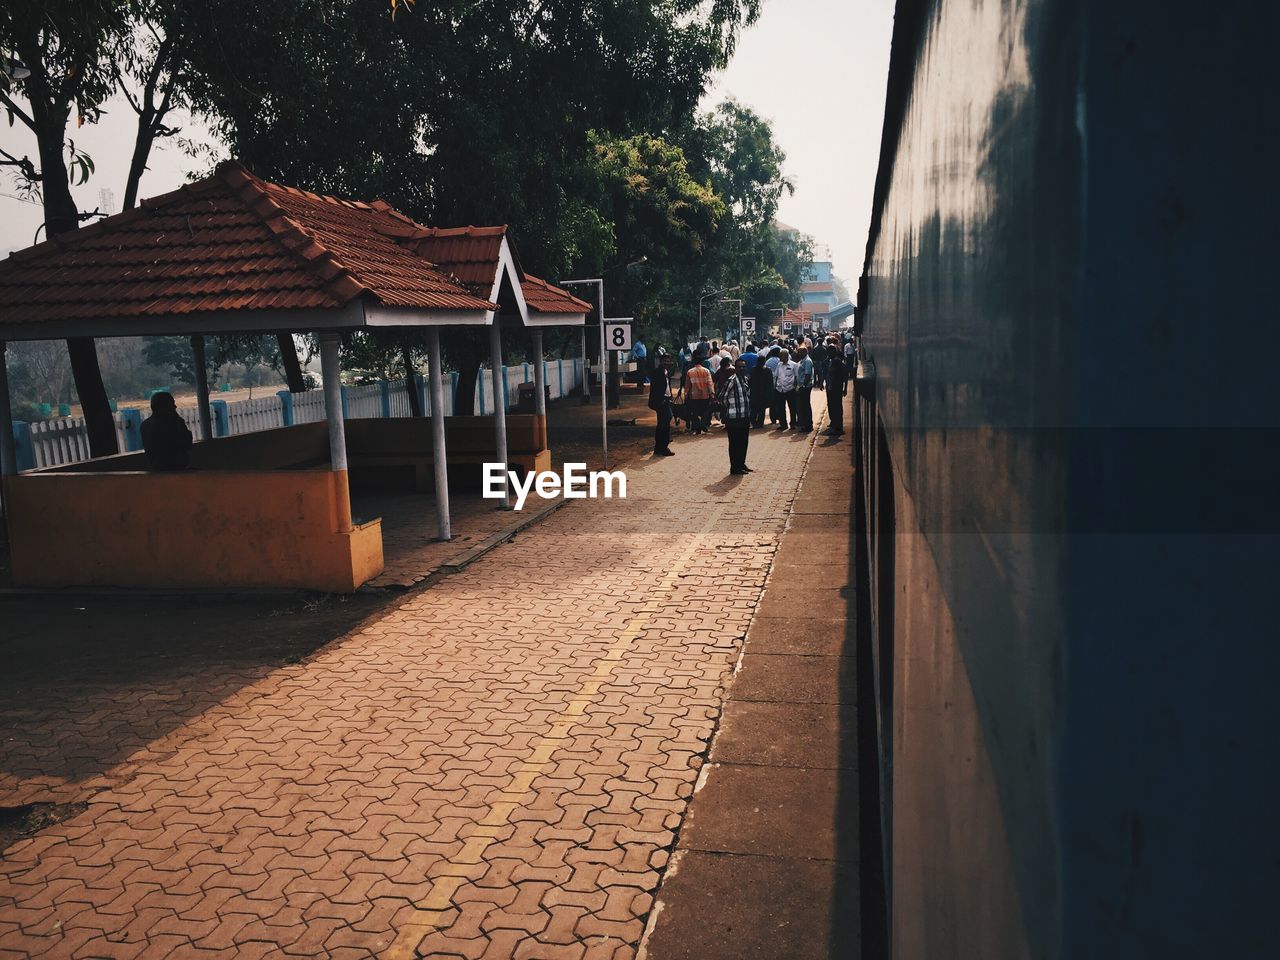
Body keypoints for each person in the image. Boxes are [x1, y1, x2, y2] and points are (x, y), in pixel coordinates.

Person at [141, 391, 193, 471]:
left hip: (155, 470)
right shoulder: (174, 422)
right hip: (176, 470)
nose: (175, 407)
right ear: (162, 407)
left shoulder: (145, 425)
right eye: (171, 404)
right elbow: (186, 443)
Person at [719, 357, 753, 475]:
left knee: (744, 442)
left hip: (744, 416)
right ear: (735, 367)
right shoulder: (731, 380)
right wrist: (730, 407)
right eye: (739, 367)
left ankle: (741, 464)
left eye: (744, 366)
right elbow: (722, 396)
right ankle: (735, 467)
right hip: (733, 418)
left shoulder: (745, 379)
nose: (742, 368)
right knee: (734, 444)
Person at [648, 351, 676, 455]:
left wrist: (670, 397)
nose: (667, 362)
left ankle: (660, 447)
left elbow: (667, 386)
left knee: (665, 423)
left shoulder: (667, 372)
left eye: (668, 361)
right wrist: (661, 400)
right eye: (665, 361)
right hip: (661, 402)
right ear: (661, 361)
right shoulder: (657, 372)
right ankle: (662, 447)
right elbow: (655, 388)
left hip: (667, 400)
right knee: (663, 424)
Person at [683, 353, 715, 434]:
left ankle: (698, 427)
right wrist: (712, 393)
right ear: (702, 362)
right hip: (705, 395)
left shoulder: (690, 372)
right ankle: (703, 424)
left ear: (694, 362)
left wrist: (686, 394)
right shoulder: (706, 371)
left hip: (693, 396)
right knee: (705, 411)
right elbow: (710, 383)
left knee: (695, 412)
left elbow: (687, 385)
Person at [772, 348, 800, 429]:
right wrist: (775, 387)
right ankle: (783, 424)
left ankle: (793, 424)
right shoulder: (779, 365)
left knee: (792, 408)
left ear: (786, 356)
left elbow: (796, 377)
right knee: (781, 408)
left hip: (790, 389)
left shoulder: (794, 365)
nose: (780, 357)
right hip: (780, 389)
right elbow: (776, 376)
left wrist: (795, 387)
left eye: (781, 356)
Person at [824, 343, 848, 436]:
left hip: (836, 388)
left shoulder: (836, 361)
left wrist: (845, 388)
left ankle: (838, 428)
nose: (828, 353)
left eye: (829, 351)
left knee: (836, 408)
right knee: (832, 407)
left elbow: (843, 375)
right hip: (831, 388)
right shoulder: (831, 360)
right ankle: (835, 426)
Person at [749, 352, 772, 429]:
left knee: (754, 409)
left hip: (754, 392)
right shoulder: (768, 370)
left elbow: (749, 381)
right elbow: (770, 383)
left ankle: (754, 422)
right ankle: (760, 423)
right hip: (763, 393)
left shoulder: (753, 370)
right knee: (762, 409)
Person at [795, 346, 815, 431]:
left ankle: (808, 425)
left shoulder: (807, 361)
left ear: (805, 352)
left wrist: (803, 385)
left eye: (800, 352)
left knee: (806, 406)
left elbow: (807, 374)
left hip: (805, 387)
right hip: (802, 386)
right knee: (803, 406)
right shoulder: (802, 361)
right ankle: (806, 424)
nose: (799, 354)